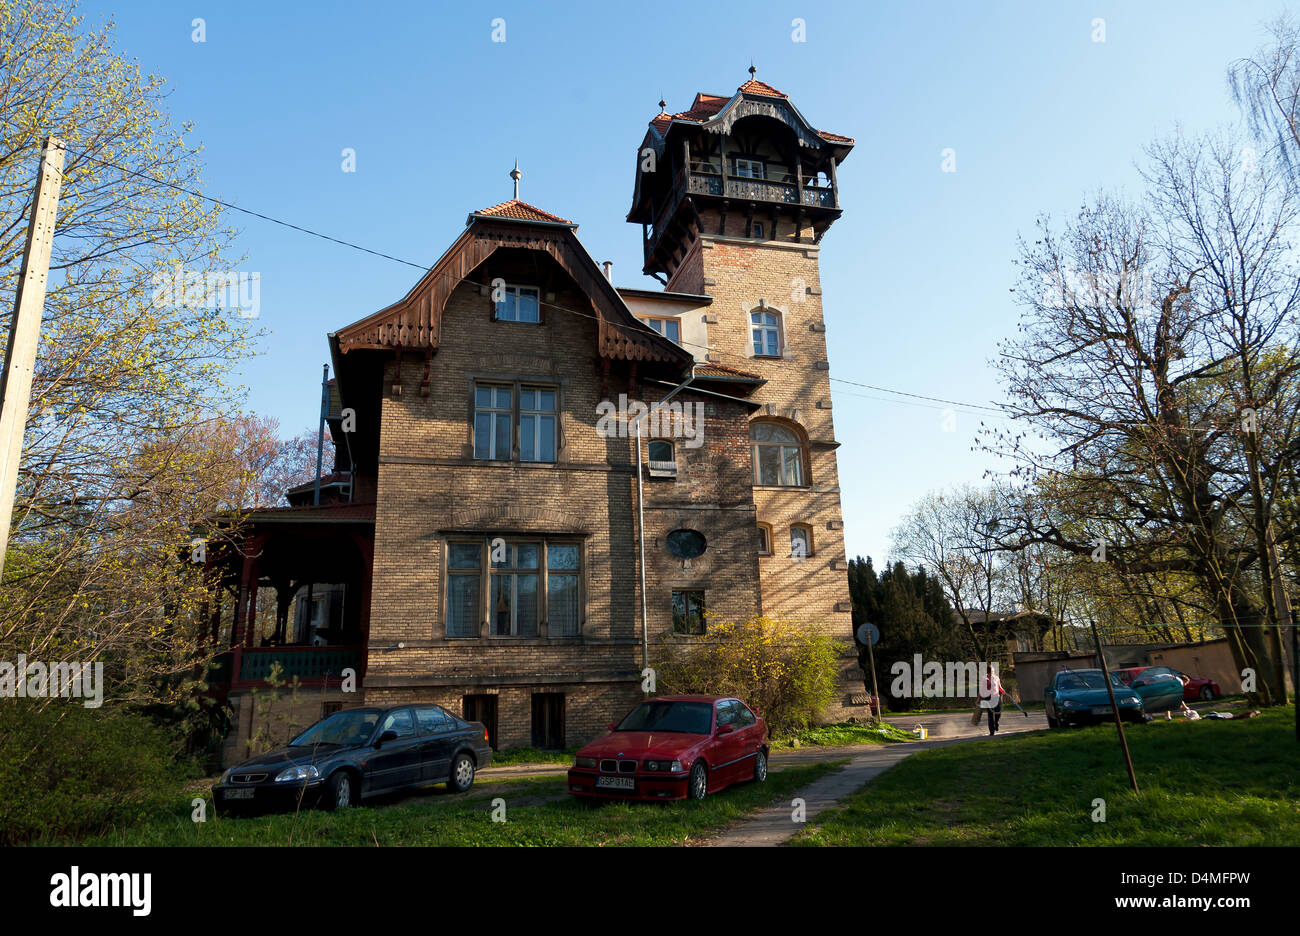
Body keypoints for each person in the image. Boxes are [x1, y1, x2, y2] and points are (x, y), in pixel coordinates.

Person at [980, 666, 1004, 735]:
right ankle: (991, 731)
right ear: (987, 672)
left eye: (993, 672)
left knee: (998, 712)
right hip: (988, 698)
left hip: (996, 697)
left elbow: (999, 687)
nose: (992, 673)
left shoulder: (996, 678)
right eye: (990, 672)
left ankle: (996, 722)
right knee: (990, 715)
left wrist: (1003, 691)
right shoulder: (984, 679)